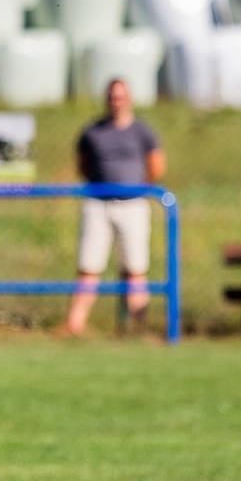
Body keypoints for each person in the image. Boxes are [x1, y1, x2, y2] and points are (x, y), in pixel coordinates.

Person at [63, 79, 165, 336]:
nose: (116, 101)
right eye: (112, 96)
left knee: (135, 269)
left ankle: (138, 328)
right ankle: (74, 325)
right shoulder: (92, 132)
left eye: (121, 96)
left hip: (133, 206)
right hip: (99, 205)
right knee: (89, 267)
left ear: (129, 99)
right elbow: (82, 165)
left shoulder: (143, 132)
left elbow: (156, 166)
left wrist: (135, 188)